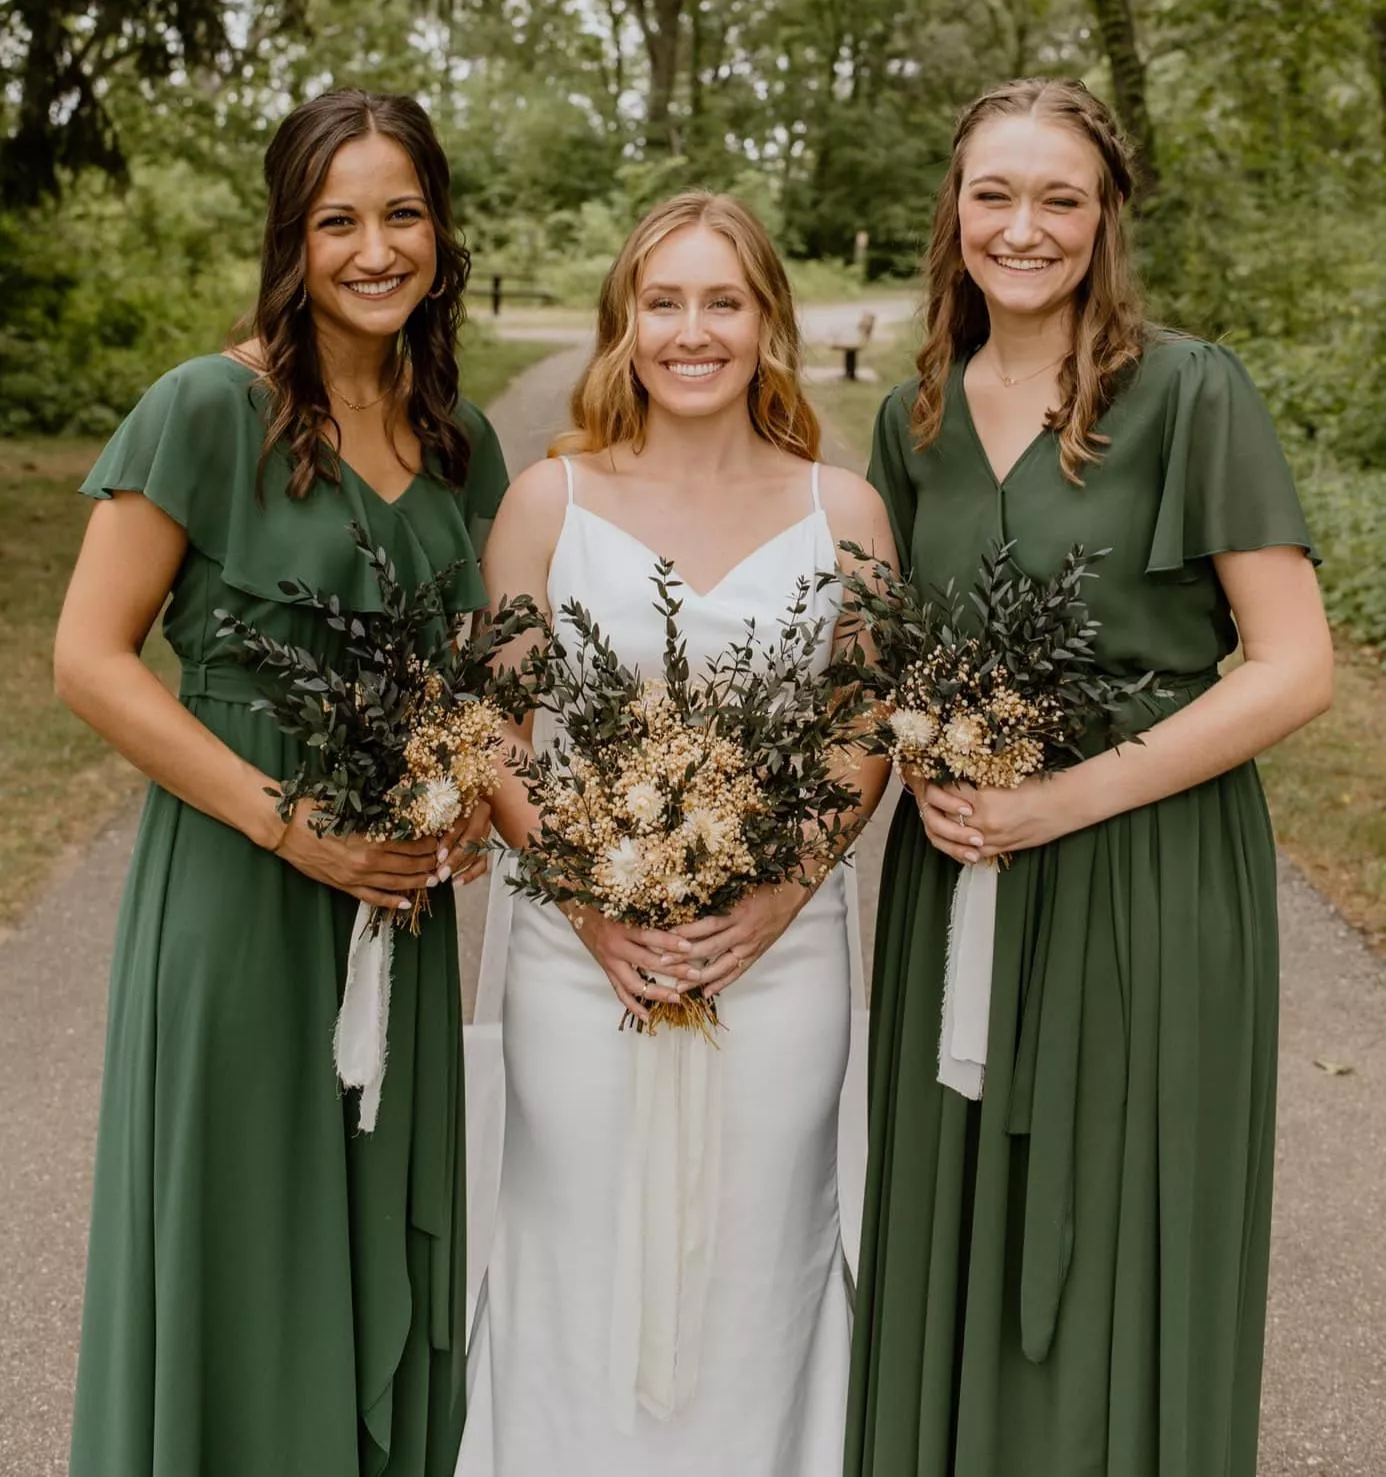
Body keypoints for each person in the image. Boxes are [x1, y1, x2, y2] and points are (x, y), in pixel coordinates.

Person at [845, 77, 1333, 1477]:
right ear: (952, 210)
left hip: (1148, 875)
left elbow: (1293, 665)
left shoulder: (1188, 392)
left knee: (1123, 1231)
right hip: (958, 880)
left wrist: (1059, 799)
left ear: (1104, 218)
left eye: (1059, 197)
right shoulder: (913, 418)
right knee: (959, 1230)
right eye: (993, 192)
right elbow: (885, 669)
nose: (1023, 225)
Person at [55, 88, 506, 1477]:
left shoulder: (456, 438)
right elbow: (89, 658)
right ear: (290, 238)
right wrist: (286, 823)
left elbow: (480, 672)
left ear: (440, 229)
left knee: (381, 1236)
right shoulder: (209, 406)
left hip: (398, 907)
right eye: (338, 220)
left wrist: (471, 787)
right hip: (240, 891)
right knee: (241, 1230)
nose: (376, 249)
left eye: (402, 214)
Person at [455, 190, 895, 1476]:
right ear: (623, 324)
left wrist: (775, 896)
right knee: (579, 1251)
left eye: (724, 302)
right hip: (577, 958)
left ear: (769, 324)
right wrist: (593, 904)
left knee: (757, 1259)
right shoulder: (549, 502)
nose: (691, 332)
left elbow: (862, 733)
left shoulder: (845, 510)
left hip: (782, 957)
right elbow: (501, 736)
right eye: (664, 303)